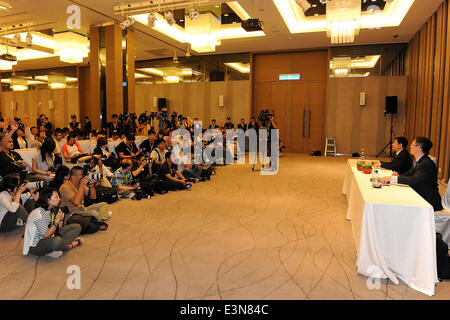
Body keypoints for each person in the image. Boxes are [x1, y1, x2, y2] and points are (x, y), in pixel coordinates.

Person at [380, 136, 443, 211]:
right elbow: (409, 174)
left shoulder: (426, 164)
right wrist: (398, 176)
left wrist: (393, 178)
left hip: (427, 201)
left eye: (412, 145)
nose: (410, 146)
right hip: (420, 195)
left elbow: (413, 180)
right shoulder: (419, 161)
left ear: (419, 147)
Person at [23, 187, 83, 258]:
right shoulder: (38, 214)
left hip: (50, 236)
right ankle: (70, 245)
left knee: (76, 227)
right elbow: (46, 235)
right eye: (56, 197)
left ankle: (57, 247)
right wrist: (56, 222)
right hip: (36, 245)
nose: (59, 199)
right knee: (57, 241)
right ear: (48, 200)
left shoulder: (51, 209)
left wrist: (60, 219)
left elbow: (58, 229)